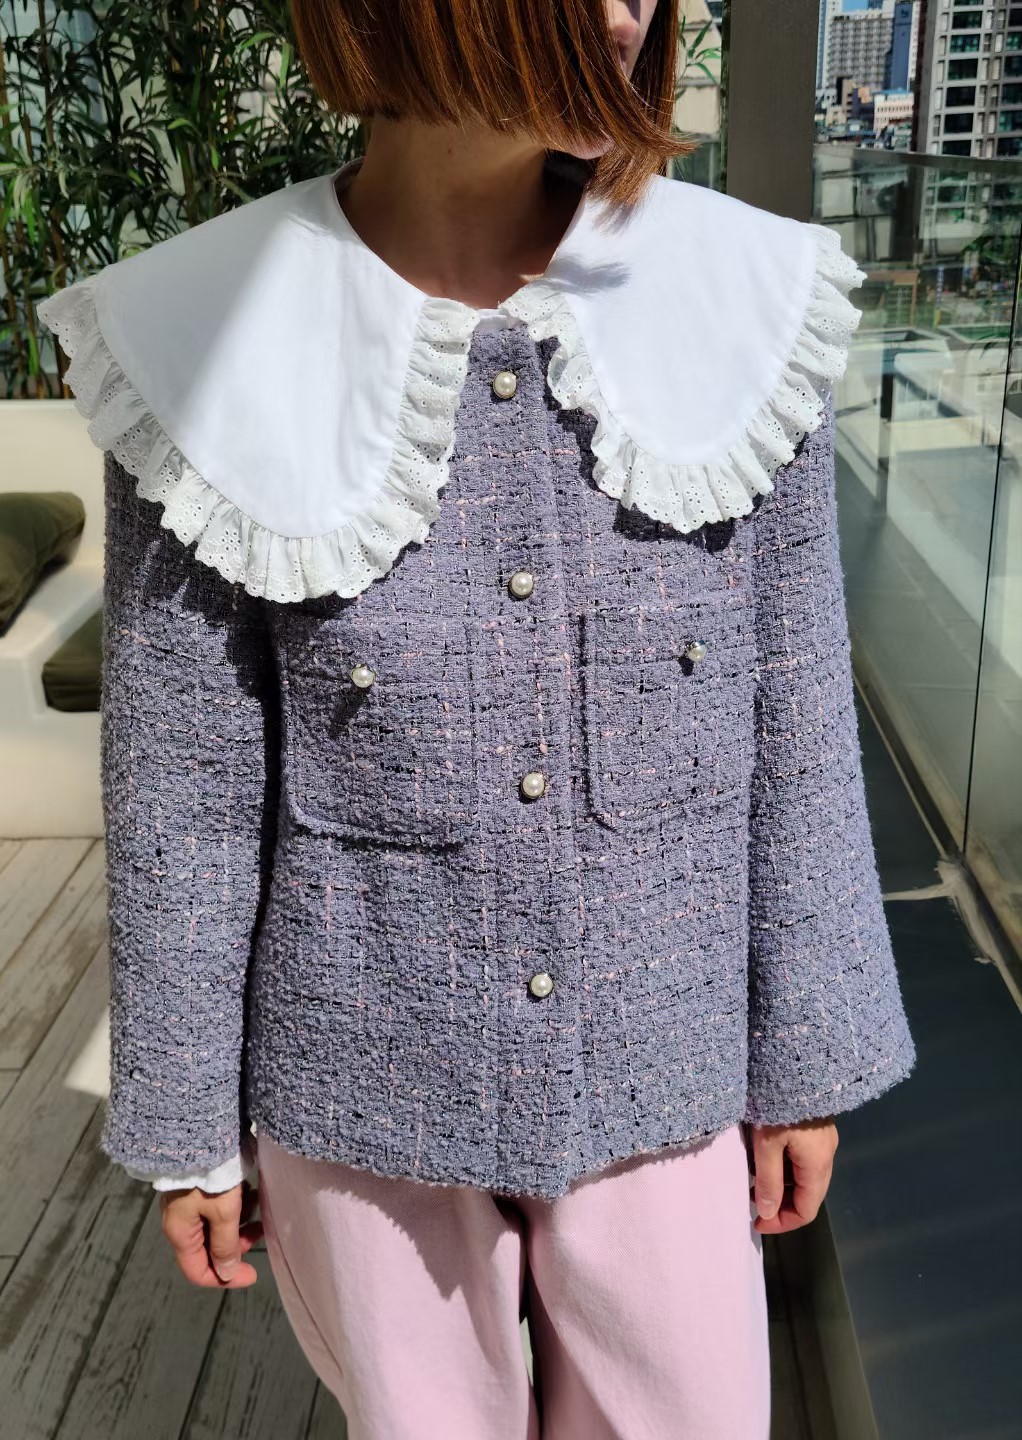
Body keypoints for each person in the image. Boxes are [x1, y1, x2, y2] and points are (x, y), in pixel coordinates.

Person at [37, 1, 917, 1435]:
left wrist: (804, 1059)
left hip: (671, 1059)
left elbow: (798, 714)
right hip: (355, 1083)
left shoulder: (742, 298)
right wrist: (188, 1121)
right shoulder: (198, 333)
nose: (631, 9)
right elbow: (184, 786)